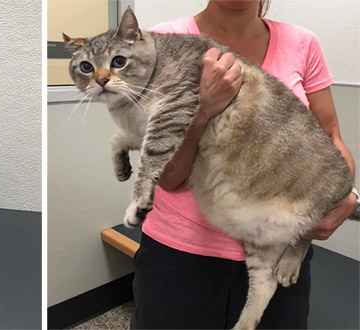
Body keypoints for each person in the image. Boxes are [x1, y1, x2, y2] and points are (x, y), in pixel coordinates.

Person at [131, 1, 357, 329]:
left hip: (279, 247)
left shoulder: (302, 42)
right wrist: (203, 110)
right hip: (180, 257)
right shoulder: (162, 40)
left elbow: (330, 136)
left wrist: (345, 197)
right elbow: (168, 178)